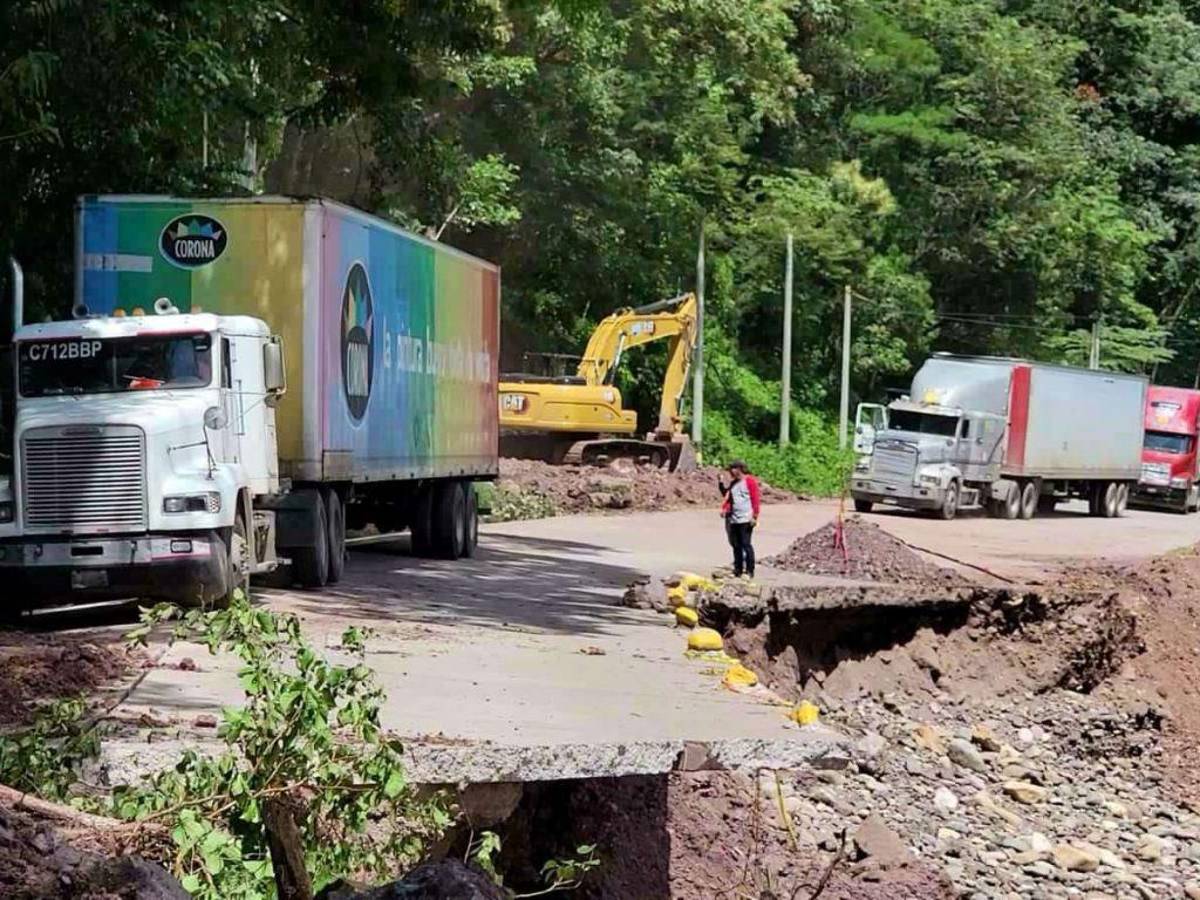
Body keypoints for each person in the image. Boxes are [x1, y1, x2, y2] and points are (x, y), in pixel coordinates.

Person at [719, 460, 761, 579]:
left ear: (739, 469)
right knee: (736, 545)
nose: (731, 472)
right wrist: (725, 509)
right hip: (734, 518)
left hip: (746, 518)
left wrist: (755, 516)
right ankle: (738, 569)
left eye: (732, 469)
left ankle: (749, 570)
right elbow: (729, 499)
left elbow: (755, 499)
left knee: (746, 545)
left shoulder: (750, 481)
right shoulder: (733, 484)